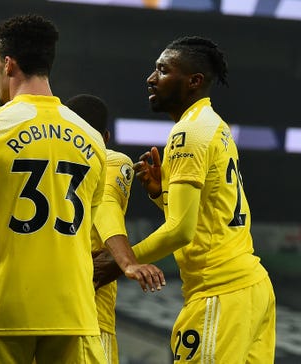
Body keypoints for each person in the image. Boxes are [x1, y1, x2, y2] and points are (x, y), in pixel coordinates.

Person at [0, 14, 106, 363]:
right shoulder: (92, 138)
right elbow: (88, 231)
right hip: (76, 315)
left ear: (8, 64)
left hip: (5, 316)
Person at [95, 36, 276, 363]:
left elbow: (180, 230)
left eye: (163, 70)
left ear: (194, 81)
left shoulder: (186, 134)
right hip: (251, 287)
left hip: (219, 293)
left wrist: (121, 263)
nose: (151, 79)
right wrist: (160, 194)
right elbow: (207, 213)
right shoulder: (214, 125)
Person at [65, 94, 165, 364]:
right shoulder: (110, 158)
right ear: (106, 136)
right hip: (91, 324)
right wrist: (127, 261)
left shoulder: (45, 164)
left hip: (42, 318)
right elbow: (106, 205)